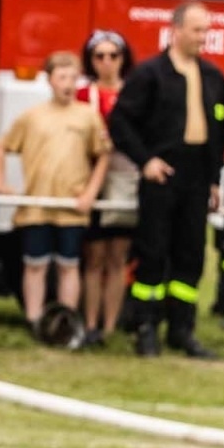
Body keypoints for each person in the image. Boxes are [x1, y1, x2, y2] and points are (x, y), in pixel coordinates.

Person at [109, 1, 224, 359]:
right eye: (196, 30)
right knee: (153, 252)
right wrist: (145, 161)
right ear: (175, 30)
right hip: (162, 175)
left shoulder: (214, 78)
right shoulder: (150, 74)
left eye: (206, 30)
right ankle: (145, 328)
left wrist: (212, 181)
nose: (202, 38)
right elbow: (120, 121)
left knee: (191, 253)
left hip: (197, 176)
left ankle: (182, 329)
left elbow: (220, 134)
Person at [0, 51, 110, 337]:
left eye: (73, 77)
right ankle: (34, 319)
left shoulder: (88, 117)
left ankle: (67, 320)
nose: (68, 84)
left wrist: (91, 193)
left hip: (71, 206)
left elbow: (103, 155)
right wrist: (0, 181)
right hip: (37, 204)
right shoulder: (32, 117)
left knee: (69, 265)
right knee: (35, 264)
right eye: (62, 77)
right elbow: (0, 146)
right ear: (49, 80)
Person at [76, 30, 138, 347]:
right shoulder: (83, 95)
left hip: (123, 177)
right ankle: (89, 325)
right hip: (89, 177)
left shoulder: (134, 92)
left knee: (118, 256)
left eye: (113, 55)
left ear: (124, 59)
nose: (106, 62)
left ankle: (110, 327)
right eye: (99, 56)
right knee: (93, 256)